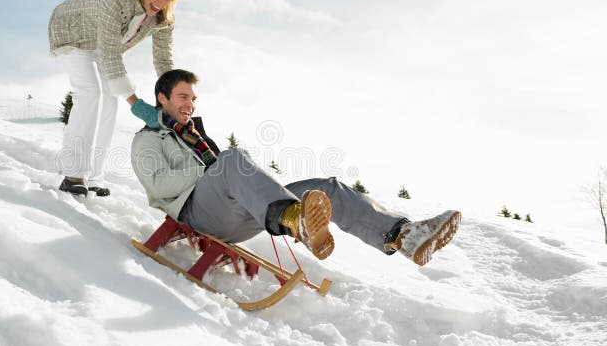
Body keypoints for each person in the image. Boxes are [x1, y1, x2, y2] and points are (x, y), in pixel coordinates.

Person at [131, 69, 461, 266]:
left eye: (193, 99)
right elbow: (159, 187)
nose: (189, 104)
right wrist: (211, 169)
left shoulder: (196, 136)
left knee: (324, 189)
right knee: (231, 159)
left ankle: (403, 235)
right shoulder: (148, 140)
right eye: (183, 97)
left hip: (236, 216)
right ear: (162, 98)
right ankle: (292, 218)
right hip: (194, 216)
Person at [49, 0, 180, 197]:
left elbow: (163, 60)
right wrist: (137, 104)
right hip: (72, 31)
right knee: (90, 92)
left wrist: (172, 97)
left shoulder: (163, 18)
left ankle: (94, 175)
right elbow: (110, 55)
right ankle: (73, 173)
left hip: (103, 43)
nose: (161, 1)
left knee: (110, 99)